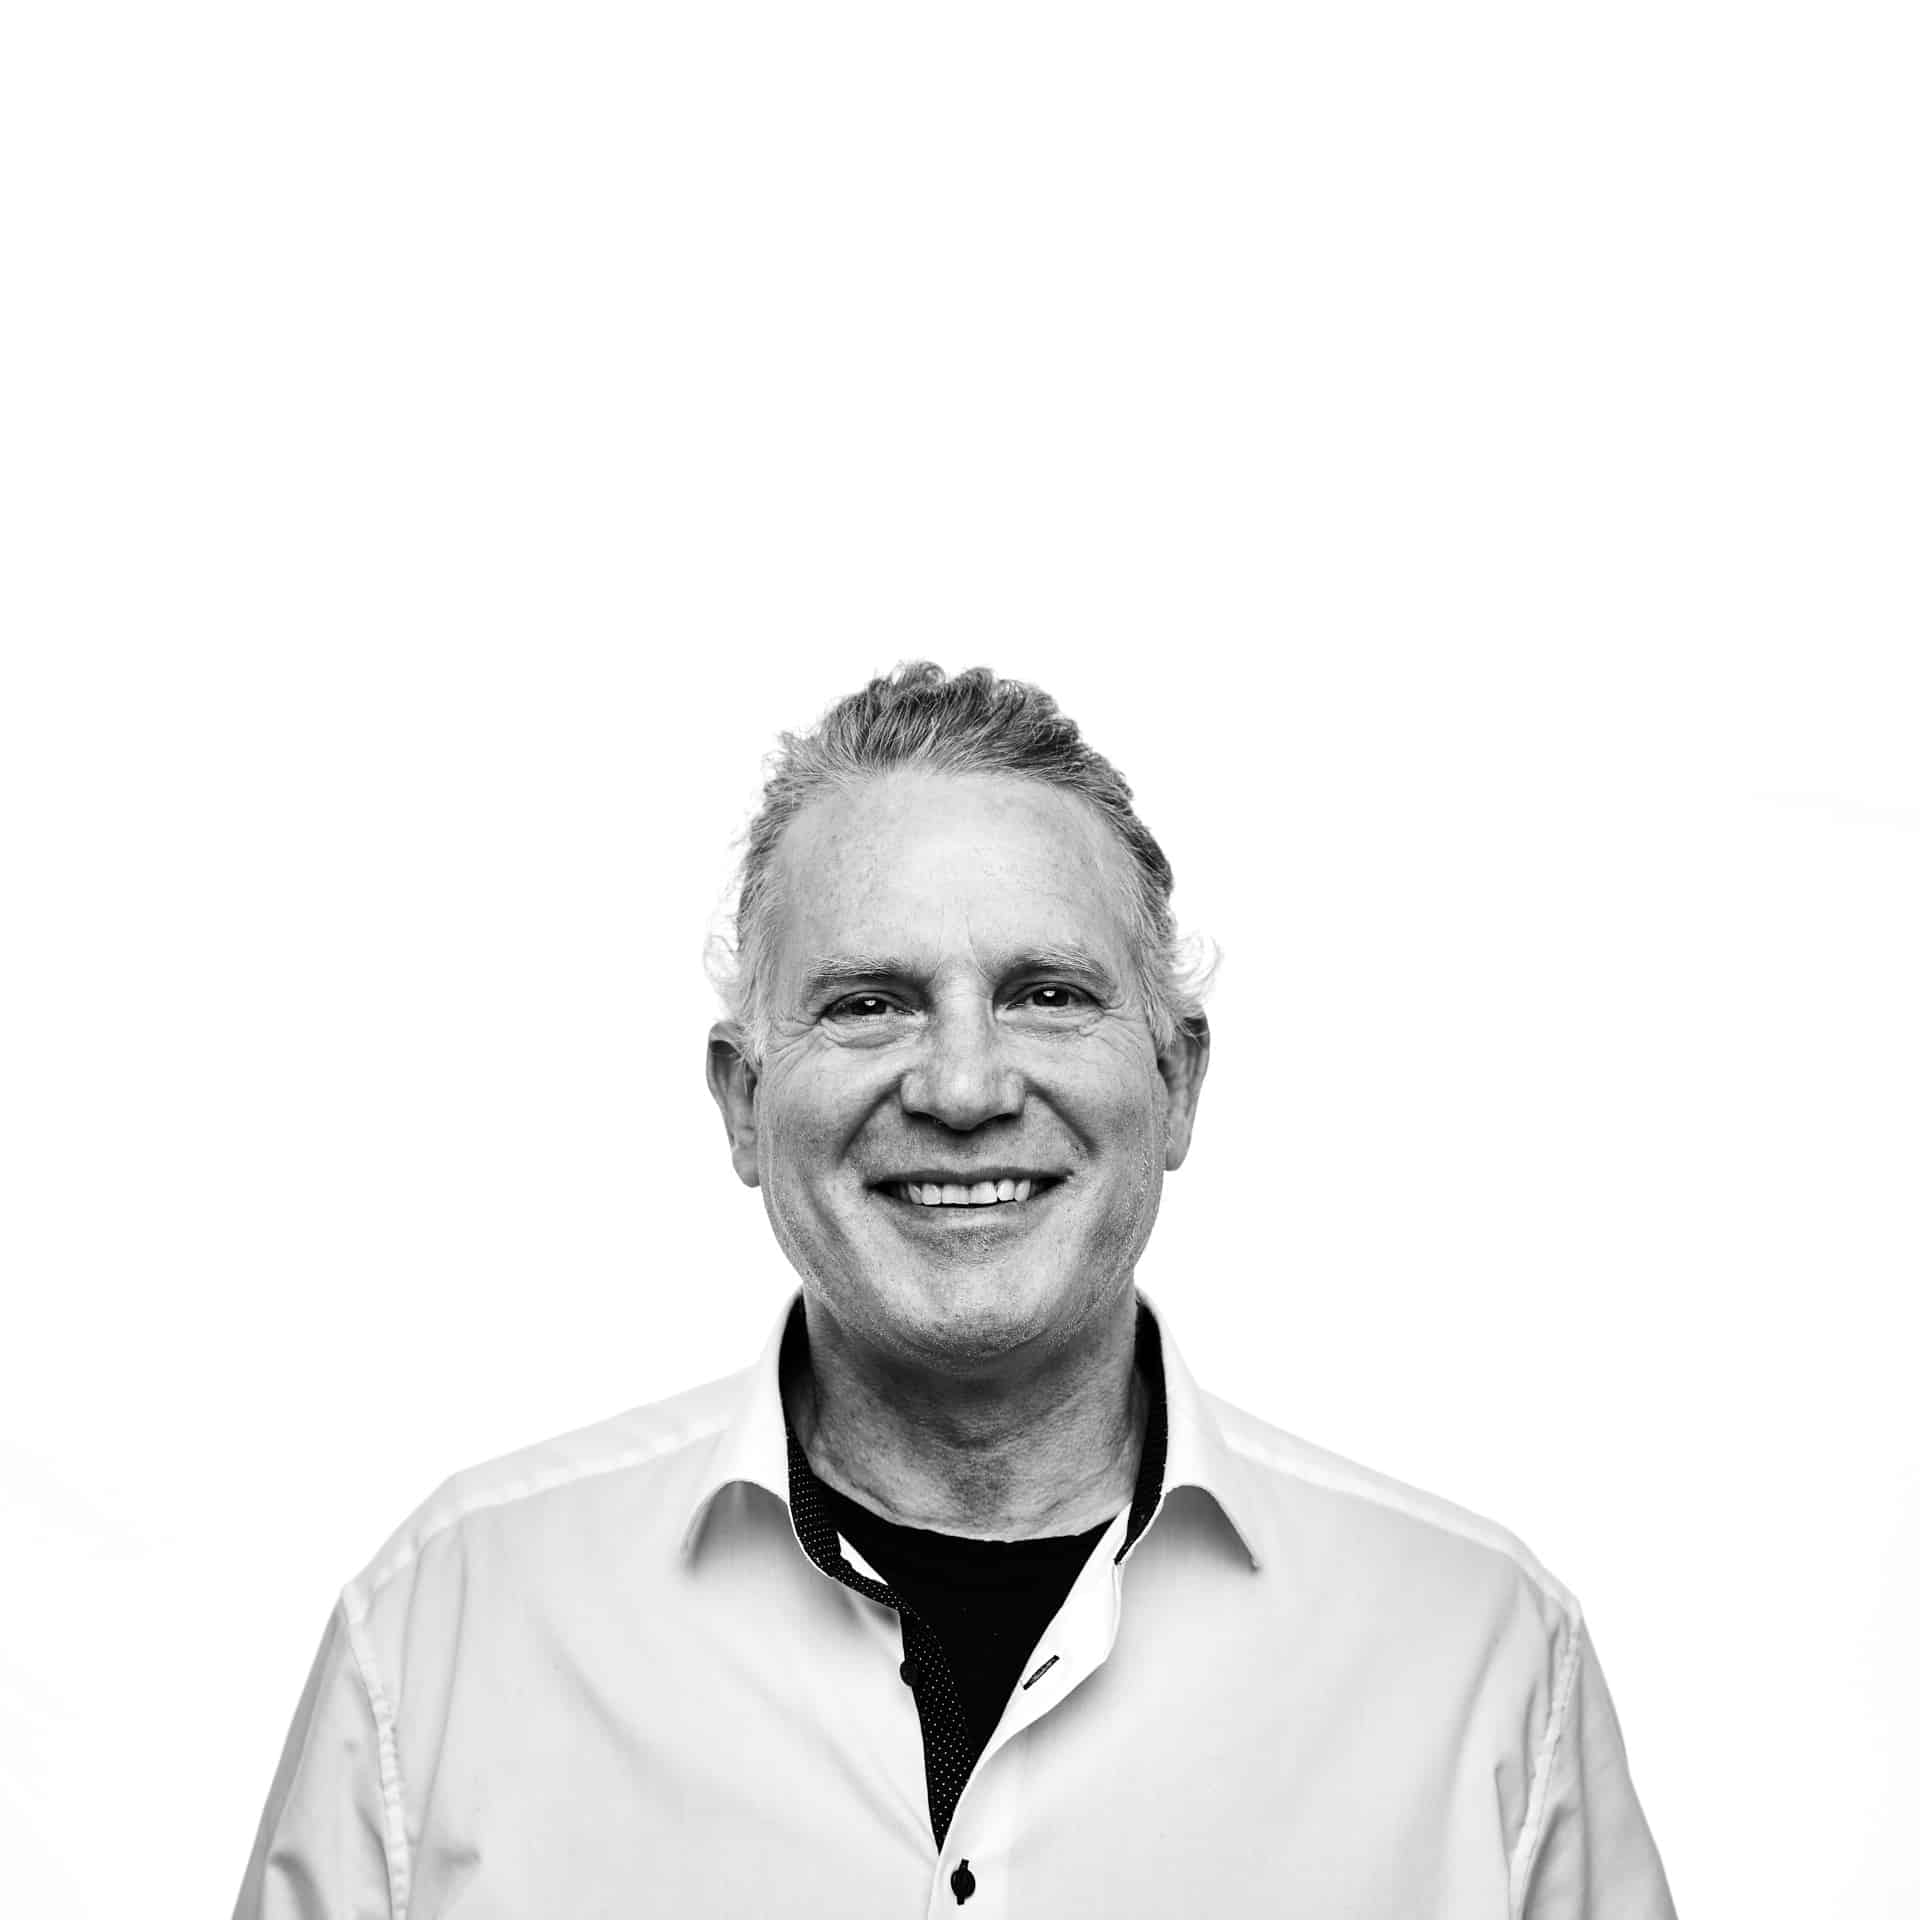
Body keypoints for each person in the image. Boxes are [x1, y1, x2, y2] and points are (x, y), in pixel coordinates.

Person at [235, 662, 1676, 1917]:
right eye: (870, 1004)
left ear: (1178, 1082)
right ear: (743, 1103)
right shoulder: (447, 1631)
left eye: (1048, 993)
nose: (967, 1087)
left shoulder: (1481, 1662)